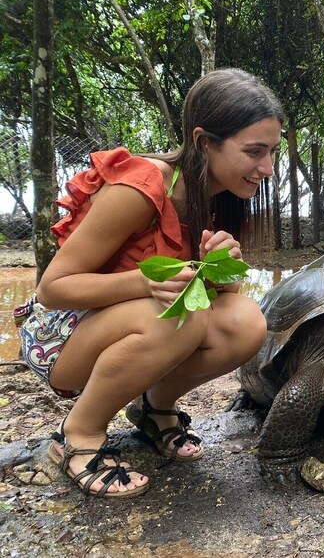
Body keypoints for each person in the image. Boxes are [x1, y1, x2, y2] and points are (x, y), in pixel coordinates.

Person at [14, 68, 284, 497]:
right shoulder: (142, 187)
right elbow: (52, 288)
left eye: (272, 152)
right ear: (203, 142)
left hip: (127, 324)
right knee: (178, 317)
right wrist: (147, 282)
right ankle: (78, 435)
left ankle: (153, 409)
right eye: (254, 152)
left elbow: (213, 298)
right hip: (59, 335)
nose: (267, 168)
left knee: (246, 320)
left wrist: (221, 266)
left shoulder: (223, 198)